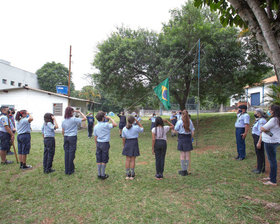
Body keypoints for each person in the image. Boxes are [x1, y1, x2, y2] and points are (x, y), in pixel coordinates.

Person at [257, 104, 280, 186]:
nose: (268, 111)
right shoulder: (277, 119)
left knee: (272, 161)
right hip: (273, 141)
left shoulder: (274, 120)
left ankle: (273, 181)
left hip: (270, 142)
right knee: (271, 160)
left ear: (273, 111)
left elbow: (263, 128)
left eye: (270, 110)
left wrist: (263, 128)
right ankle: (271, 177)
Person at [62, 107, 86, 175]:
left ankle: (67, 170)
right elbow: (85, 118)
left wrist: (64, 136)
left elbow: (63, 130)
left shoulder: (64, 120)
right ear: (71, 112)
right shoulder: (74, 119)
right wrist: (80, 112)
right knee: (71, 153)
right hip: (72, 137)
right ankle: (70, 170)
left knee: (67, 153)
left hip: (66, 137)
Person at [94, 111, 117, 180]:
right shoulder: (106, 125)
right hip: (105, 143)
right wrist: (110, 118)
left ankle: (99, 174)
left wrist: (96, 144)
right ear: (103, 118)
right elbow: (115, 124)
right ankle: (103, 174)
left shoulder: (95, 126)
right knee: (104, 159)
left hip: (98, 143)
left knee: (99, 159)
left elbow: (95, 137)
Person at [122, 116, 144, 180]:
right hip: (134, 143)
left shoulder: (124, 128)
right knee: (133, 159)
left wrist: (124, 146)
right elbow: (142, 128)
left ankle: (127, 174)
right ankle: (132, 174)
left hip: (127, 143)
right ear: (134, 121)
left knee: (127, 159)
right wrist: (138, 122)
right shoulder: (136, 127)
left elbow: (123, 138)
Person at [174, 109, 195, 176]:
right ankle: (187, 170)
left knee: (182, 155)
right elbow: (192, 131)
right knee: (187, 155)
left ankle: (184, 170)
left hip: (181, 138)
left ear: (182, 115)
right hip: (188, 138)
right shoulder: (190, 121)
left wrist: (179, 133)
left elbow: (175, 130)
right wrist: (191, 138)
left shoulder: (179, 122)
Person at [251, 108, 267, 174]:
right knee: (258, 153)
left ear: (259, 113)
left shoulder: (262, 121)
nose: (255, 114)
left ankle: (260, 168)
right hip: (256, 137)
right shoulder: (258, 120)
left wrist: (259, 142)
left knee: (260, 153)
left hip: (259, 138)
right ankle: (259, 167)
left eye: (256, 113)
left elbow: (261, 132)